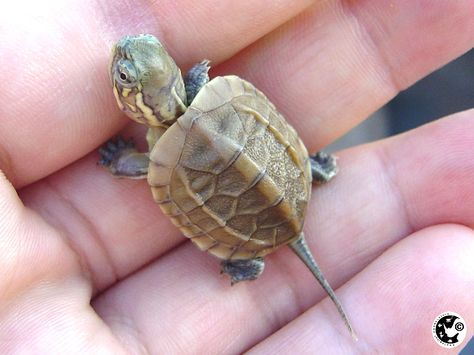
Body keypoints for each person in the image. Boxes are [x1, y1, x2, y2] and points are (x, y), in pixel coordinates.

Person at [0, 1, 473, 353]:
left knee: (242, 177)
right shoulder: (211, 89)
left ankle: (249, 260)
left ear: (134, 102)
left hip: (244, 215)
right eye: (127, 73)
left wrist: (116, 156)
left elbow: (134, 166)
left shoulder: (161, 160)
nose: (120, 62)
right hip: (290, 184)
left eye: (125, 75)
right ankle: (310, 170)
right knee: (264, 170)